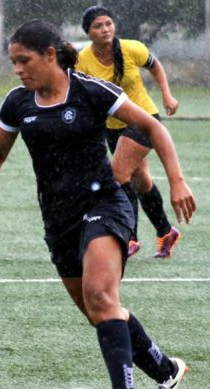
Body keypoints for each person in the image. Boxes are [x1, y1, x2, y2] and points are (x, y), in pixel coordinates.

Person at [0, 20, 196, 389]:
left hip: (105, 205)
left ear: (50, 55)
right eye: (13, 62)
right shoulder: (17, 103)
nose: (18, 69)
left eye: (24, 60)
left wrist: (177, 180)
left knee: (101, 294)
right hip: (58, 221)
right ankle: (167, 370)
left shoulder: (90, 91)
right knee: (100, 311)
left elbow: (151, 126)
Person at [76, 5, 182, 258]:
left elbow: (155, 66)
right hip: (113, 127)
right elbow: (81, 94)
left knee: (118, 175)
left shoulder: (132, 48)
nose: (105, 29)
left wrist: (167, 95)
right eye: (98, 26)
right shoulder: (83, 60)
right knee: (141, 182)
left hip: (145, 120)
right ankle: (166, 231)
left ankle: (128, 237)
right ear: (88, 33)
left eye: (108, 24)